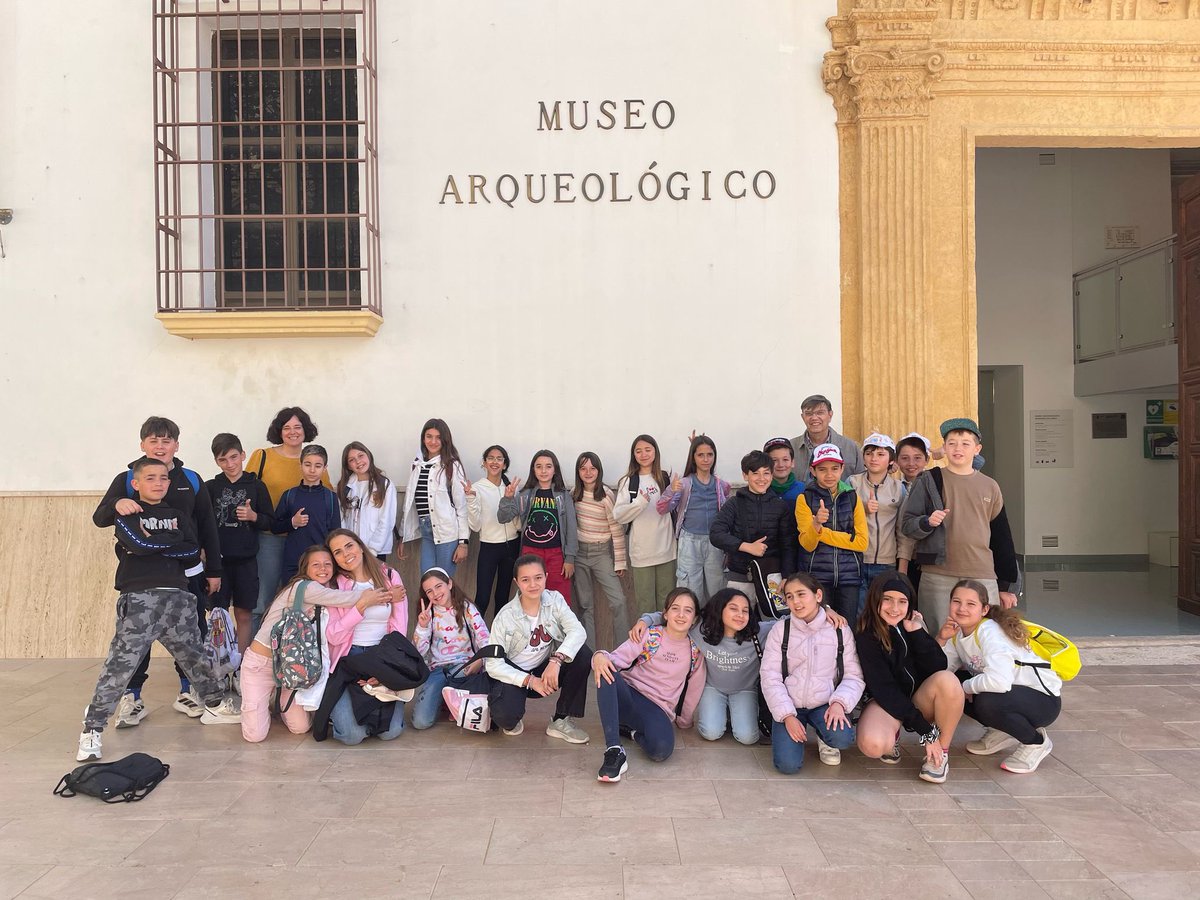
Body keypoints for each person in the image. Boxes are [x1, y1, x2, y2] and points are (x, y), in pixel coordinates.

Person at [78, 458, 242, 761]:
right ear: (136, 483)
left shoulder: (178, 515)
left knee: (195, 657)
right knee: (120, 666)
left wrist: (155, 543)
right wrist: (163, 544)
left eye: (163, 478)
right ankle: (92, 729)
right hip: (140, 600)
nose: (158, 482)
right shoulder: (127, 511)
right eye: (150, 477)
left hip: (178, 598)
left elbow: (191, 551)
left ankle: (215, 705)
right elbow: (137, 544)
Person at [92, 416, 223, 727]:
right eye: (154, 440)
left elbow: (207, 527)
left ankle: (188, 691)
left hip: (186, 572)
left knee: (191, 635)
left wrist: (214, 570)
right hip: (141, 579)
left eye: (167, 441)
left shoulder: (190, 479)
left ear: (176, 445)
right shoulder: (127, 480)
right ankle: (132, 698)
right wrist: (119, 503)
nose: (160, 446)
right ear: (143, 445)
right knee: (137, 641)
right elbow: (100, 517)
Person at [240, 546, 392, 743]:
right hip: (261, 665)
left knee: (301, 727)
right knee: (255, 736)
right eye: (316, 564)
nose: (323, 568)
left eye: (328, 564)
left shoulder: (324, 592)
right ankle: (257, 703)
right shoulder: (304, 587)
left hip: (290, 668)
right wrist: (379, 596)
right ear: (306, 568)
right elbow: (344, 598)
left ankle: (270, 704)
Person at [900, 417, 1018, 629]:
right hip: (937, 574)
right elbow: (908, 525)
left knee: (982, 636)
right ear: (944, 447)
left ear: (977, 449)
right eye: (952, 443)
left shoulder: (990, 486)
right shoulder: (928, 481)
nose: (958, 448)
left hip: (981, 572)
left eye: (965, 443)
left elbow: (1002, 537)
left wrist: (1006, 585)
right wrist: (927, 522)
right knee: (937, 637)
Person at [937, 579, 1062, 775]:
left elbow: (999, 682)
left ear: (984, 609)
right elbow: (940, 670)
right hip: (1012, 696)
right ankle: (1001, 730)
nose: (962, 609)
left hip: (1043, 701)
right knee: (948, 684)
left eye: (971, 604)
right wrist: (942, 639)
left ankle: (1036, 742)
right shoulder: (958, 633)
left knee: (985, 700)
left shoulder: (990, 633)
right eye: (956, 601)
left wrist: (965, 688)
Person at [854, 570, 963, 784]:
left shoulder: (910, 626)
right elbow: (885, 689)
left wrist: (917, 633)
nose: (895, 608)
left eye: (902, 601)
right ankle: (893, 736)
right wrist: (925, 732)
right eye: (887, 600)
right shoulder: (866, 635)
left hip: (918, 698)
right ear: (875, 599)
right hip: (887, 702)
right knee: (872, 745)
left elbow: (938, 666)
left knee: (948, 681)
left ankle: (940, 752)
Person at [593, 587, 706, 781]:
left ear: (694, 618)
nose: (680, 615)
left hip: (657, 708)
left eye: (688, 610)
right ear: (665, 613)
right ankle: (614, 749)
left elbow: (694, 689)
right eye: (675, 608)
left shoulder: (695, 652)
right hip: (630, 695)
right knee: (606, 669)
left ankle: (631, 732)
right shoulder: (651, 635)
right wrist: (599, 656)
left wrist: (684, 719)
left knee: (661, 751)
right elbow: (616, 658)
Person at [631, 587, 768, 746]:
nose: (740, 615)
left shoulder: (758, 633)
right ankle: (724, 712)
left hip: (744, 689)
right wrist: (645, 620)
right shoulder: (702, 629)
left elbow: (785, 624)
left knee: (748, 738)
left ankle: (733, 713)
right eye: (733, 608)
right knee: (710, 733)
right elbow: (670, 615)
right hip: (713, 688)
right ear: (720, 609)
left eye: (745, 611)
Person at [760, 573, 865, 774]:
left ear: (818, 595)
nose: (796, 602)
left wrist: (839, 703)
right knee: (787, 766)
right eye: (789, 597)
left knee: (842, 737)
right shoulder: (782, 629)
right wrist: (787, 715)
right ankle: (791, 729)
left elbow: (854, 675)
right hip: (790, 704)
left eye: (801, 594)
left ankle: (823, 735)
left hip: (824, 703)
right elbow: (770, 676)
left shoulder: (839, 629)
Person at [483, 554, 592, 743]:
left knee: (583, 654)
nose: (533, 585)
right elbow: (493, 665)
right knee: (506, 720)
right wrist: (530, 681)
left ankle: (561, 720)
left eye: (538, 578)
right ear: (517, 582)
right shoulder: (505, 616)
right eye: (526, 580)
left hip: (547, 670)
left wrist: (556, 660)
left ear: (546, 577)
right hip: (516, 677)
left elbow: (578, 631)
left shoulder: (555, 600)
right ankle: (508, 711)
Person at [320, 529, 409, 744]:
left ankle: (369, 707)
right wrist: (362, 605)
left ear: (360, 546)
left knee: (391, 732)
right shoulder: (334, 585)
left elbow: (399, 628)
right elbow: (333, 635)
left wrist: (387, 669)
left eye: (349, 546)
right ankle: (342, 708)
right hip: (348, 660)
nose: (346, 554)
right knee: (352, 736)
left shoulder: (388, 575)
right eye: (338, 552)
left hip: (382, 656)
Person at [247, 407, 332, 620]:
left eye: (297, 426)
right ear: (279, 431)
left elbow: (327, 497)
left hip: (305, 541)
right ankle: (258, 650)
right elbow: (246, 489)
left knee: (300, 599)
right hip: (270, 537)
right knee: (263, 599)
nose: (292, 432)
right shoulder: (262, 456)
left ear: (306, 429)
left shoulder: (315, 460)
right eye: (286, 427)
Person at [708, 450, 798, 620]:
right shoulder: (734, 503)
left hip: (772, 576)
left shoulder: (780, 507)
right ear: (745, 475)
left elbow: (788, 545)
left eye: (766, 473)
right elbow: (716, 533)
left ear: (772, 475)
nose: (761, 478)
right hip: (740, 573)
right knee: (738, 622)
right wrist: (746, 546)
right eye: (755, 473)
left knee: (774, 622)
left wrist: (787, 576)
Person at [208, 432, 274, 655]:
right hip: (217, 563)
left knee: (244, 614)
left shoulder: (256, 486)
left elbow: (270, 521)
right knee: (218, 615)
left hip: (246, 561)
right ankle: (220, 664)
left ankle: (241, 668)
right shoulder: (210, 488)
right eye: (223, 460)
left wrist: (254, 516)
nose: (230, 464)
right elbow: (202, 524)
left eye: (234, 457)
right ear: (216, 461)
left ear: (243, 455)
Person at [410, 567, 490, 730]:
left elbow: (484, 638)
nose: (436, 593)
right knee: (421, 722)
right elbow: (418, 653)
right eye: (429, 591)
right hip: (437, 670)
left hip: (464, 668)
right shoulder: (428, 613)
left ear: (450, 584)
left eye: (439, 586)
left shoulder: (467, 608)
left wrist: (481, 661)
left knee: (468, 714)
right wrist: (422, 627)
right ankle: (446, 699)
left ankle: (452, 699)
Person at [795, 443, 868, 620]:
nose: (829, 475)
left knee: (846, 629)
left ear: (842, 468)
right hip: (817, 578)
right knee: (820, 628)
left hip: (849, 577)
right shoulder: (805, 498)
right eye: (822, 469)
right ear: (813, 471)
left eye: (835, 468)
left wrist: (821, 532)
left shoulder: (852, 497)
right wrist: (816, 524)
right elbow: (808, 544)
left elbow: (861, 543)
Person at [497, 450, 578, 606]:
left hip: (556, 555)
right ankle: (533, 630)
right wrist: (507, 499)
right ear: (533, 470)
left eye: (548, 466)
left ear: (555, 470)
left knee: (559, 598)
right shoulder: (525, 494)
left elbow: (571, 529)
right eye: (539, 466)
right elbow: (503, 518)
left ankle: (558, 631)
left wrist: (570, 558)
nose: (543, 471)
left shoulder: (563, 496)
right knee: (530, 597)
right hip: (530, 552)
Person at [658, 434, 731, 605]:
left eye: (710, 454)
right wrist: (672, 491)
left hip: (715, 542)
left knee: (717, 590)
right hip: (689, 541)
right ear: (693, 457)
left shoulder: (721, 485)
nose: (706, 459)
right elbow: (662, 508)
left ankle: (715, 628)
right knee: (690, 591)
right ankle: (691, 629)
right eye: (700, 455)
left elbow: (727, 512)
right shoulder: (683, 483)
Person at [570, 451, 631, 649]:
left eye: (592, 468)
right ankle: (588, 655)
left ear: (599, 470)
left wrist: (620, 561)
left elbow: (616, 529)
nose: (588, 472)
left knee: (619, 601)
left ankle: (623, 651)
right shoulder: (573, 495)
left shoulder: (605, 495)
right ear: (578, 472)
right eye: (583, 468)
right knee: (585, 605)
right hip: (579, 555)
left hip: (601, 554)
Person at [848, 433, 913, 613]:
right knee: (858, 613)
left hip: (887, 563)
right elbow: (841, 520)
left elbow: (903, 532)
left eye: (880, 454)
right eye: (869, 453)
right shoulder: (852, 483)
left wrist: (902, 570)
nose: (874, 458)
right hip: (856, 560)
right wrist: (863, 509)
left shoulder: (899, 488)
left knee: (883, 614)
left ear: (891, 460)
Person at [612, 435, 677, 615]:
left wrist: (694, 445)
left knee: (668, 604)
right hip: (641, 554)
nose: (643, 454)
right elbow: (618, 515)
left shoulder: (665, 477)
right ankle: (648, 643)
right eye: (638, 451)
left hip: (666, 551)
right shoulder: (628, 481)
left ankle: (667, 643)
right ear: (633, 455)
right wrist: (639, 503)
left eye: (648, 450)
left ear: (655, 452)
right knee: (645, 605)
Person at [399, 418, 470, 575]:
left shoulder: (452, 465)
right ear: (423, 439)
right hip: (426, 531)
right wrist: (403, 536)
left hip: (447, 533)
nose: (433, 441)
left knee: (443, 582)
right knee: (427, 579)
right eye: (429, 436)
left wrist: (463, 543)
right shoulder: (417, 466)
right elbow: (409, 503)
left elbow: (461, 507)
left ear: (445, 440)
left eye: (438, 437)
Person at [465, 444, 521, 620]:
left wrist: (511, 498)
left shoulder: (511, 487)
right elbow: (475, 526)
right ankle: (476, 640)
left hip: (512, 546)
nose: (495, 462)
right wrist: (471, 499)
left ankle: (499, 642)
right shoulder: (477, 488)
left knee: (503, 597)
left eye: (499, 459)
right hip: (489, 546)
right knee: (482, 596)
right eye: (491, 458)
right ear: (484, 463)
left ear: (505, 464)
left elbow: (518, 522)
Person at [272, 445, 341, 583]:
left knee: (317, 603)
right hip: (293, 562)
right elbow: (275, 527)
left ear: (324, 468)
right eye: (307, 464)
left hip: (320, 565)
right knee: (293, 602)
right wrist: (292, 523)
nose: (312, 470)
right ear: (300, 465)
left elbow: (335, 533)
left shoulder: (331, 498)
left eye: (318, 465)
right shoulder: (289, 495)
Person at [337, 442, 397, 561]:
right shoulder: (345, 487)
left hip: (375, 550)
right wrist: (346, 545)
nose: (358, 461)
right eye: (352, 460)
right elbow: (342, 519)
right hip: (352, 550)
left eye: (361, 456)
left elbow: (387, 519)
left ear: (368, 456)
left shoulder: (384, 484)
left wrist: (373, 549)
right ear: (348, 466)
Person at [790, 394, 864, 477]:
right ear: (803, 417)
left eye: (820, 413)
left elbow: (860, 481)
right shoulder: (790, 448)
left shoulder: (851, 447)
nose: (814, 418)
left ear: (830, 415)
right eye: (809, 413)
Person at [763, 437, 805, 502]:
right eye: (774, 460)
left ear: (792, 462)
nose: (781, 465)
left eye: (785, 459)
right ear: (766, 464)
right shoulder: (759, 489)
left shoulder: (803, 490)